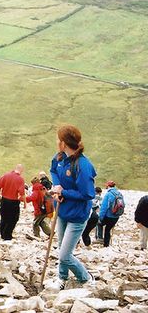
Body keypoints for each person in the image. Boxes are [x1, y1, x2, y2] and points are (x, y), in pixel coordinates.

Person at [47, 124, 96, 290]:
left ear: (64, 142)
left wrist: (64, 192)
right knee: (61, 248)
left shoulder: (83, 165)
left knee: (64, 255)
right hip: (61, 211)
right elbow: (53, 170)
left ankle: (86, 279)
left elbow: (88, 194)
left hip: (77, 215)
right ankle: (62, 278)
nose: (56, 141)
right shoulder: (60, 157)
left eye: (58, 139)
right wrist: (57, 186)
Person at [0, 164, 26, 241]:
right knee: (13, 218)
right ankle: (7, 235)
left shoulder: (6, 175)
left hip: (4, 199)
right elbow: (22, 194)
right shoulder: (20, 179)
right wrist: (25, 204)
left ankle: (2, 234)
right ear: (21, 170)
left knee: (4, 217)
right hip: (13, 201)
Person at [98, 181, 122, 247]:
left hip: (109, 216)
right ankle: (106, 244)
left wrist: (100, 217)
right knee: (108, 229)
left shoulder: (108, 194)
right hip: (116, 216)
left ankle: (101, 240)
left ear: (108, 186)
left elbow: (104, 207)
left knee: (99, 223)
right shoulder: (119, 193)